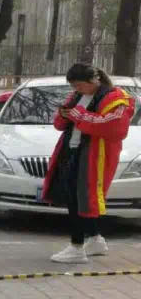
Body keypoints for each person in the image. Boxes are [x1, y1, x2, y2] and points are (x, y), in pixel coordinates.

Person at [43, 62, 135, 263]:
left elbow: (114, 127)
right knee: (75, 197)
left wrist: (77, 115)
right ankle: (94, 239)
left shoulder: (116, 97)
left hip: (95, 155)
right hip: (71, 150)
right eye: (73, 86)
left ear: (94, 80)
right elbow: (60, 124)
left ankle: (76, 247)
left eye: (79, 85)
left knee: (81, 199)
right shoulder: (76, 96)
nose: (76, 89)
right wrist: (64, 114)